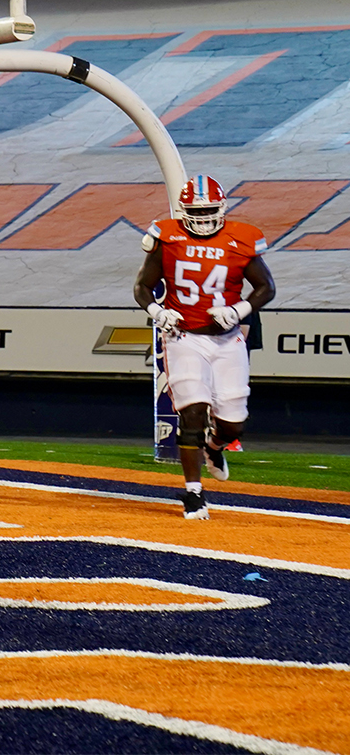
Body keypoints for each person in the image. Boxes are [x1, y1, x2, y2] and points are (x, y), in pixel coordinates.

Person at [134, 176, 275, 521]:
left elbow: (266, 287)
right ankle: (193, 492)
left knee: (233, 425)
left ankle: (214, 448)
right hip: (184, 337)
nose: (203, 217)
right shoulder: (166, 237)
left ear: (223, 208)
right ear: (183, 211)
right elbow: (142, 286)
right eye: (196, 211)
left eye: (210, 210)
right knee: (193, 411)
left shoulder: (241, 238)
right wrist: (157, 311)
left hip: (227, 339)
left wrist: (237, 310)